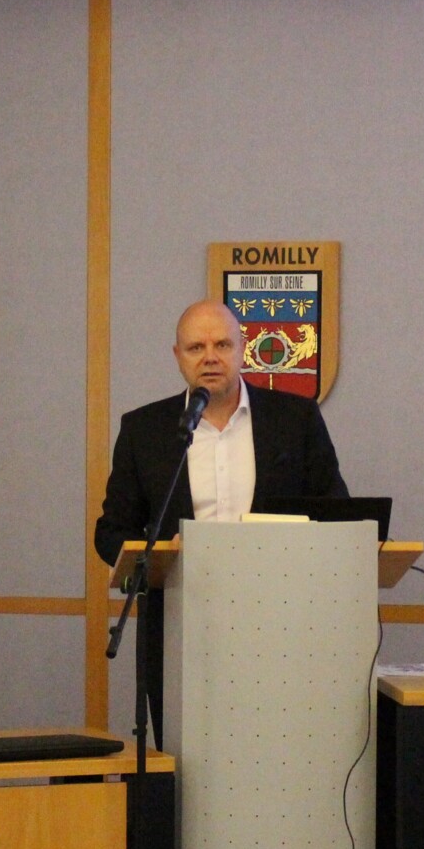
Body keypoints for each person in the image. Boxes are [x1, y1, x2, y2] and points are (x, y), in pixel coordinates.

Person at [94, 299, 349, 745]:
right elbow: (111, 531)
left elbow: (336, 512)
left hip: (283, 623)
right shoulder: (144, 430)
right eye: (196, 347)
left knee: (281, 748)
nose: (209, 357)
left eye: (222, 345)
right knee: (186, 754)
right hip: (181, 626)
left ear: (243, 348)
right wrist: (162, 555)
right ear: (178, 356)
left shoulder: (295, 420)